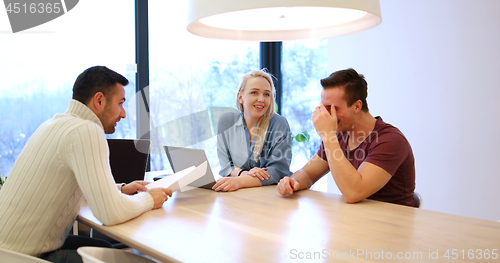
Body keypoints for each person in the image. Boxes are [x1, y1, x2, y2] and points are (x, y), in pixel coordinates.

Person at [0, 66, 172, 262]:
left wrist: (120, 189)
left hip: (7, 249)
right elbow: (110, 213)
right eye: (120, 103)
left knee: (104, 248)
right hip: (23, 257)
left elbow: (69, 182)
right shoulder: (86, 130)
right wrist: (150, 199)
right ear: (99, 100)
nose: (123, 114)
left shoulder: (53, 124)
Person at [276, 68, 415, 206]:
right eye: (324, 108)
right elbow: (307, 174)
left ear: (357, 106)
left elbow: (354, 192)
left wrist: (328, 136)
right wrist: (292, 181)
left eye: (333, 108)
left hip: (393, 224)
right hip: (357, 220)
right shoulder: (339, 134)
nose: (327, 115)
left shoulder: (390, 140)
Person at [214, 69, 292, 192]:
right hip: (237, 195)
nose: (261, 99)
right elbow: (226, 167)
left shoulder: (279, 123)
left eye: (266, 94)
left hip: (270, 196)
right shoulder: (227, 121)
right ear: (240, 97)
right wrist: (246, 174)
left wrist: (239, 181)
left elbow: (277, 171)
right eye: (254, 92)